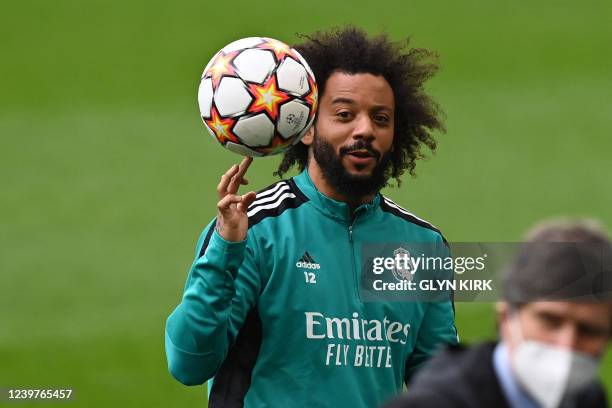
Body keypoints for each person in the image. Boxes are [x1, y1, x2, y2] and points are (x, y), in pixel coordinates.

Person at [165, 26, 459, 407]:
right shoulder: (254, 230)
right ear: (305, 127)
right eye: (344, 114)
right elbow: (188, 363)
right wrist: (225, 250)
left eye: (381, 119)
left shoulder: (422, 245)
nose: (365, 130)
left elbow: (441, 388)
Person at [383, 220, 612, 408]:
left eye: (588, 330)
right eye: (550, 320)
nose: (565, 345)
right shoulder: (432, 404)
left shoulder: (587, 397)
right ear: (506, 316)